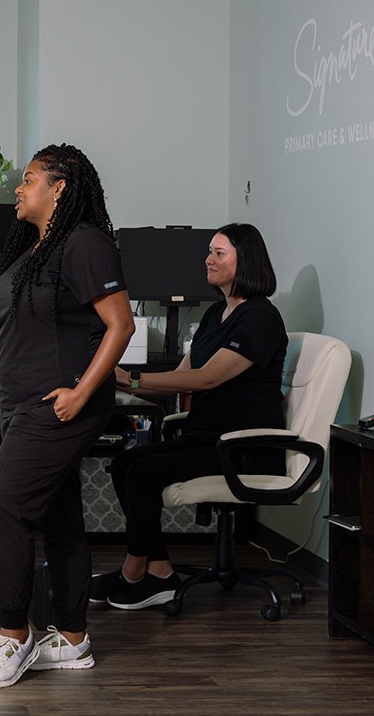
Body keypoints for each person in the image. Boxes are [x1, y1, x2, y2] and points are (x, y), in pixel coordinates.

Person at [0, 144, 134, 688]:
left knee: (3, 505)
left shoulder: (84, 242)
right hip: (21, 400)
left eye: (30, 179)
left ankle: (14, 635)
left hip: (58, 402)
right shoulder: (38, 250)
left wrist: (82, 392)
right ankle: (74, 638)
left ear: (59, 188)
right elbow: (21, 333)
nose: (18, 188)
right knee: (60, 514)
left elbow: (121, 325)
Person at [91, 222, 287, 610]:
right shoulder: (216, 314)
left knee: (142, 472)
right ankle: (160, 571)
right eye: (209, 252)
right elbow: (183, 374)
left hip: (243, 447)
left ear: (246, 260)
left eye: (219, 253)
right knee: (126, 464)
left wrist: (130, 378)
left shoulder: (261, 317)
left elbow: (207, 378)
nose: (208, 260)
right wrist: (115, 380)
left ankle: (134, 570)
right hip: (208, 437)